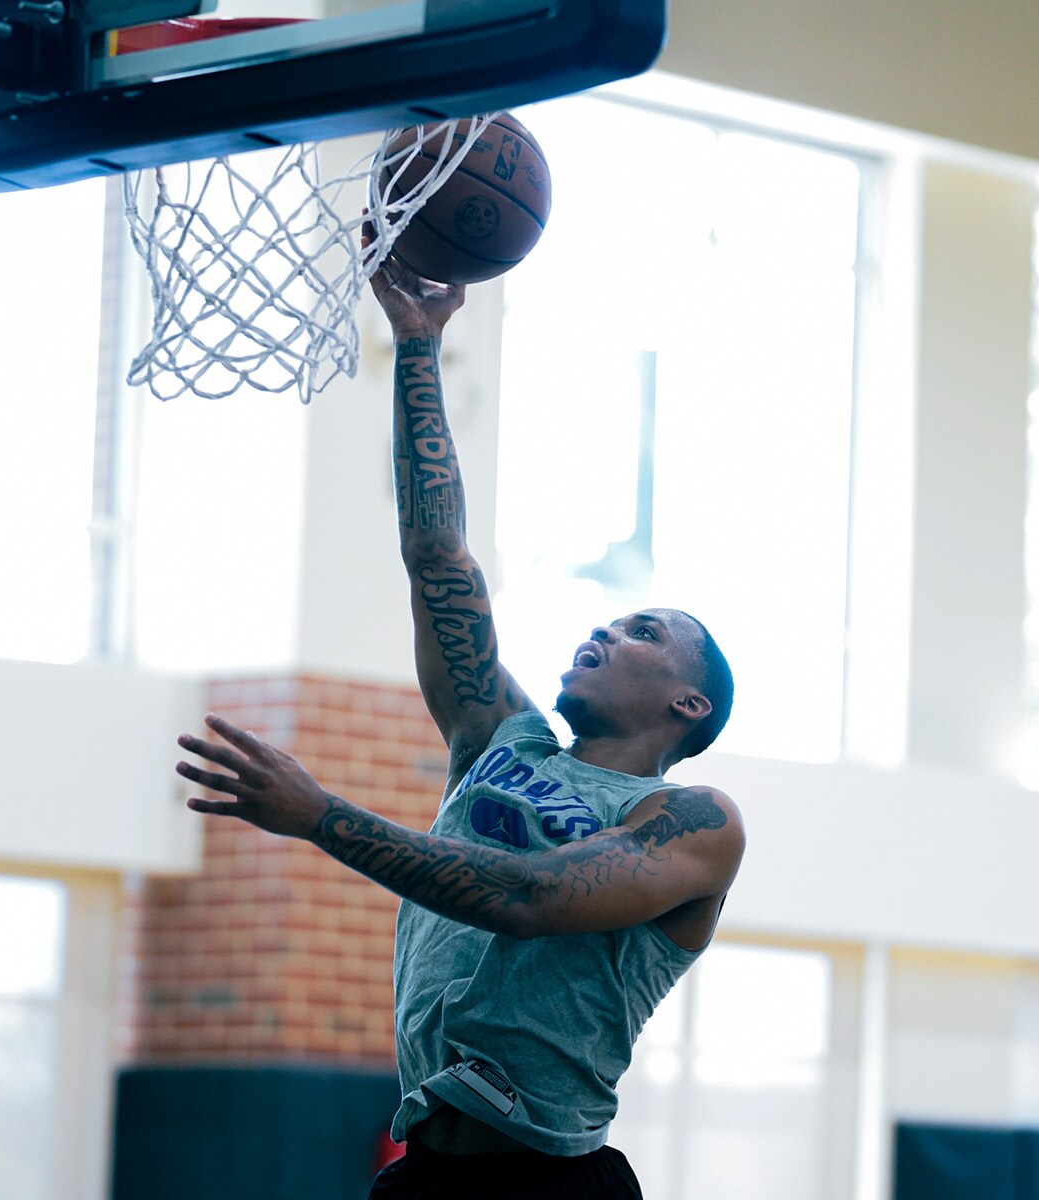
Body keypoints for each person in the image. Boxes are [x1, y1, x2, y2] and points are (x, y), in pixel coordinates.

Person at [174, 253, 744, 1199]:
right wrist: (418, 345)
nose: (605, 627)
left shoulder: (694, 820)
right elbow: (437, 553)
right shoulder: (499, 739)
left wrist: (322, 816)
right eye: (611, 618)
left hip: (552, 1184)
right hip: (424, 1171)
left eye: (643, 632)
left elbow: (529, 898)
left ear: (691, 705)